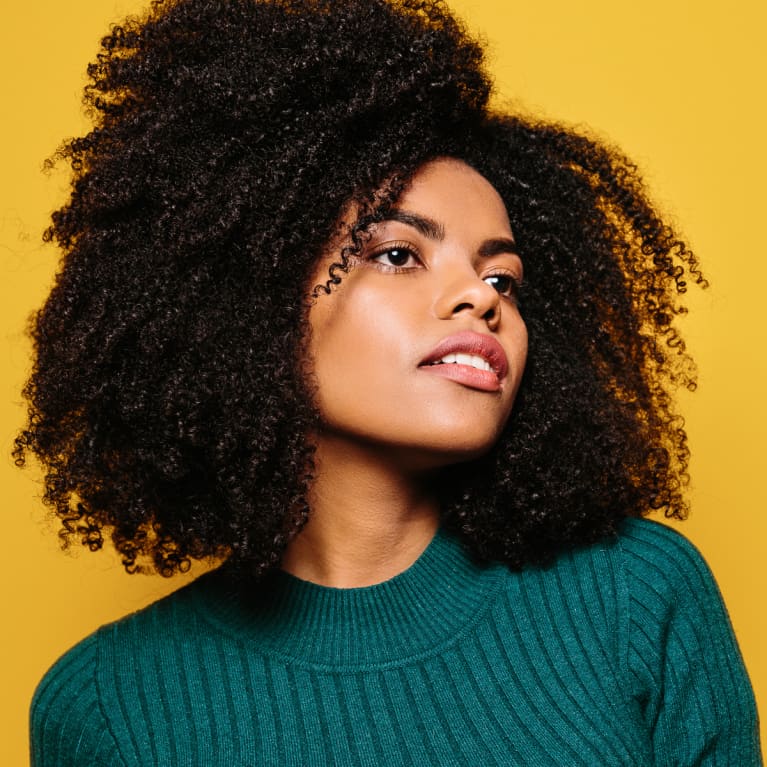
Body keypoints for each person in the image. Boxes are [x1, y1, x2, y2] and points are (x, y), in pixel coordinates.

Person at [18, 0, 760, 764]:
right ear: (251, 294)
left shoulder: (634, 597)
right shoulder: (109, 705)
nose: (481, 297)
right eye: (399, 254)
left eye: (502, 276)